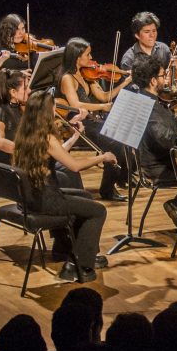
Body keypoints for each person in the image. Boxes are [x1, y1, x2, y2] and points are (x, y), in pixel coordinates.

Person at [13, 90, 112, 283]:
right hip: (46, 200)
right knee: (98, 211)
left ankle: (67, 249)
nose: (55, 111)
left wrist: (74, 137)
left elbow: (56, 154)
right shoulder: (47, 137)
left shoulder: (26, 133)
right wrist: (103, 157)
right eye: (53, 108)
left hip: (31, 197)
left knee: (84, 197)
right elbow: (74, 166)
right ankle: (78, 265)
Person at [131, 55, 177, 238]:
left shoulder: (148, 100)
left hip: (161, 160)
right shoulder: (148, 107)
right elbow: (168, 140)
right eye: (163, 76)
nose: (167, 80)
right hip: (159, 167)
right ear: (153, 81)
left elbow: (174, 125)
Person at [0, 70, 86, 190]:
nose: (29, 91)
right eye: (25, 88)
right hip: (9, 166)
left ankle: (72, 198)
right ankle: (61, 199)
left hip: (26, 162)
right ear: (13, 92)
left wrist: (69, 124)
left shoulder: (19, 107)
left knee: (69, 169)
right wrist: (32, 153)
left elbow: (39, 131)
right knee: (63, 176)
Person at [59, 37, 132, 201]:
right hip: (77, 123)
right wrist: (101, 107)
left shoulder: (86, 75)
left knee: (121, 136)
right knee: (113, 143)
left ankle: (119, 177)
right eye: (88, 55)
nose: (91, 58)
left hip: (91, 119)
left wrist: (125, 82)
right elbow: (75, 104)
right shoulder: (67, 78)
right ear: (77, 57)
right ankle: (108, 189)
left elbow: (104, 96)